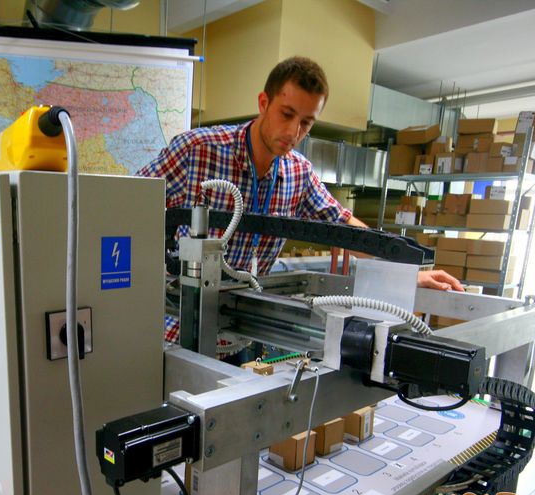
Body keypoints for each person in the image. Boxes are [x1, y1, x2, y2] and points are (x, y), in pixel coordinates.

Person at [138, 57, 462, 342]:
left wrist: (404, 272)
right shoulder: (197, 151)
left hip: (237, 331)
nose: (293, 132)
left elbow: (342, 225)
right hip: (173, 330)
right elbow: (126, 204)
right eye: (287, 114)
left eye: (306, 122)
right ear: (264, 102)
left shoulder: (298, 173)